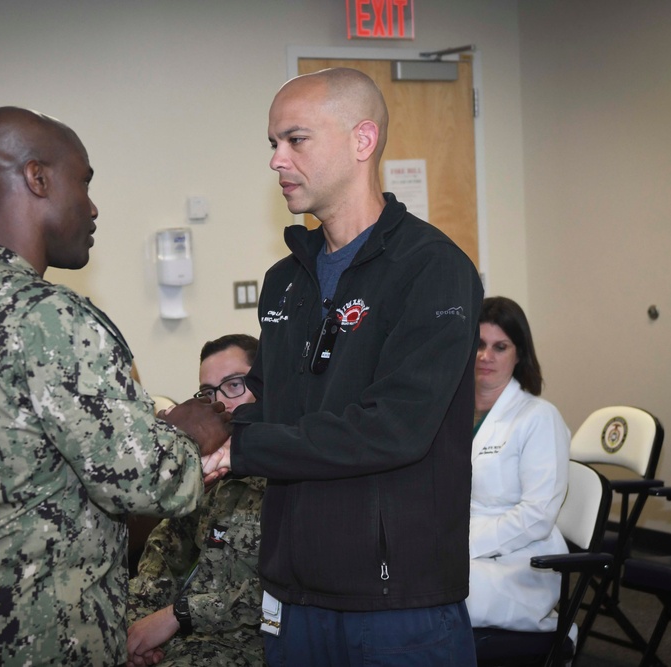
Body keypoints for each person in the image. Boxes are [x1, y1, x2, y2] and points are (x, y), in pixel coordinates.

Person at [0, 106, 230, 667]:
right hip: (39, 633)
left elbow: (19, 467)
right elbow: (147, 484)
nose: (93, 207)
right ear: (38, 179)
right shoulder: (50, 316)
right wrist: (190, 432)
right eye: (85, 182)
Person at [203, 68, 483, 665]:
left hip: (395, 603)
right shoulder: (286, 281)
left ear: (363, 141)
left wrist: (240, 450)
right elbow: (272, 400)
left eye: (295, 140)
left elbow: (394, 426)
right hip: (293, 594)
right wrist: (197, 423)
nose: (276, 160)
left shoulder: (432, 268)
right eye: (272, 144)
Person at [127, 334, 266, 667]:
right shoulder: (206, 477)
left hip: (248, 650)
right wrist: (133, 632)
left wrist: (178, 615)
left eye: (234, 385)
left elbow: (281, 592)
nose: (219, 404)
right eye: (207, 393)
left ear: (265, 383)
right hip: (178, 647)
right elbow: (161, 557)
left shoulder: (291, 476)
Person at [468, 296, 571, 631]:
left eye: (500, 347)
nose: (486, 356)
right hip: (456, 543)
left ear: (519, 354)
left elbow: (537, 516)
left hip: (520, 562)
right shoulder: (449, 413)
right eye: (479, 344)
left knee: (425, 588)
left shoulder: (539, 417)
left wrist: (463, 544)